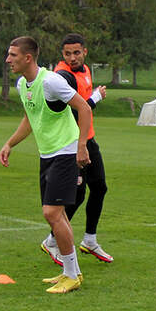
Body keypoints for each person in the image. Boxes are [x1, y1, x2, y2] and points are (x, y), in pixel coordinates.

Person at [0, 36, 93, 294]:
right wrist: (10, 144)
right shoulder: (22, 85)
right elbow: (31, 118)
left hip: (66, 151)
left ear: (28, 58)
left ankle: (71, 275)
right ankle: (69, 272)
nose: (8, 60)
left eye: (13, 55)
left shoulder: (51, 82)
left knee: (51, 213)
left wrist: (82, 146)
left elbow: (84, 109)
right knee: (57, 215)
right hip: (47, 154)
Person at [38, 33, 113, 265]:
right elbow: (72, 112)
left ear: (85, 52)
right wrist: (96, 97)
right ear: (62, 54)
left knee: (99, 188)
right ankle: (52, 239)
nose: (72, 58)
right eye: (67, 53)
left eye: (76, 53)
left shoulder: (86, 70)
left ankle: (89, 240)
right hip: (72, 144)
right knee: (76, 195)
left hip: (88, 139)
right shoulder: (62, 77)